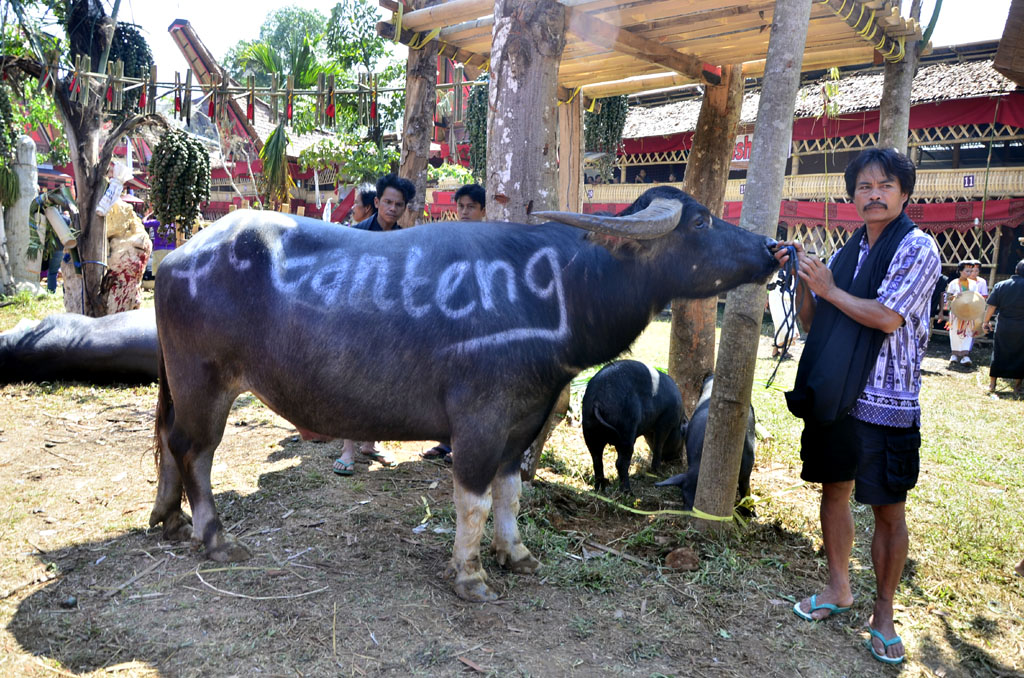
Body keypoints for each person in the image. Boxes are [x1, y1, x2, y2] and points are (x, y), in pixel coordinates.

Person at [778, 148, 940, 666]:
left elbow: (888, 317)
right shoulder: (849, 252)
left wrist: (829, 286)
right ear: (853, 196)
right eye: (864, 186)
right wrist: (807, 280)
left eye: (884, 185)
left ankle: (885, 613)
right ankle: (839, 588)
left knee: (889, 512)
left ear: (905, 193)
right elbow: (812, 323)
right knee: (835, 491)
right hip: (839, 397)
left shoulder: (917, 247)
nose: (873, 194)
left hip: (887, 402)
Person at [420, 183, 487, 465]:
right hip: (450, 322)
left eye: (471, 207)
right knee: (448, 383)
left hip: (479, 325)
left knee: (475, 387)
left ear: (484, 210)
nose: (464, 211)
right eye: (460, 206)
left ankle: (468, 445)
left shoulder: (489, 239)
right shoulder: (450, 238)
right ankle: (446, 442)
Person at [982, 258, 1024, 393]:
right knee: (1021, 355)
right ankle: (1017, 387)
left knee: (999, 353)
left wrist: (986, 321)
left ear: (1016, 270)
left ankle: (992, 385)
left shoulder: (1001, 285)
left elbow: (991, 306)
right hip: (1022, 327)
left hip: (1004, 325)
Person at [939, 260, 981, 366]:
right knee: (954, 331)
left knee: (968, 332)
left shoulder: (973, 284)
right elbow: (947, 297)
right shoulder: (953, 283)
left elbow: (976, 296)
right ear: (960, 271)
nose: (969, 273)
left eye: (970, 271)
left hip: (969, 311)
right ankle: (955, 354)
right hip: (956, 311)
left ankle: (965, 355)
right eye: (967, 271)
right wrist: (955, 296)